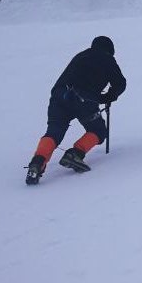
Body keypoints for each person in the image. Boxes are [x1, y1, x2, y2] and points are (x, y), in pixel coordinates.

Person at [26, 36, 126, 185]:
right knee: (98, 130)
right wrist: (107, 98)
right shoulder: (107, 59)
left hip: (59, 96)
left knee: (54, 131)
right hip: (83, 99)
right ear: (110, 50)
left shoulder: (80, 56)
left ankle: (37, 162)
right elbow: (120, 83)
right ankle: (75, 153)